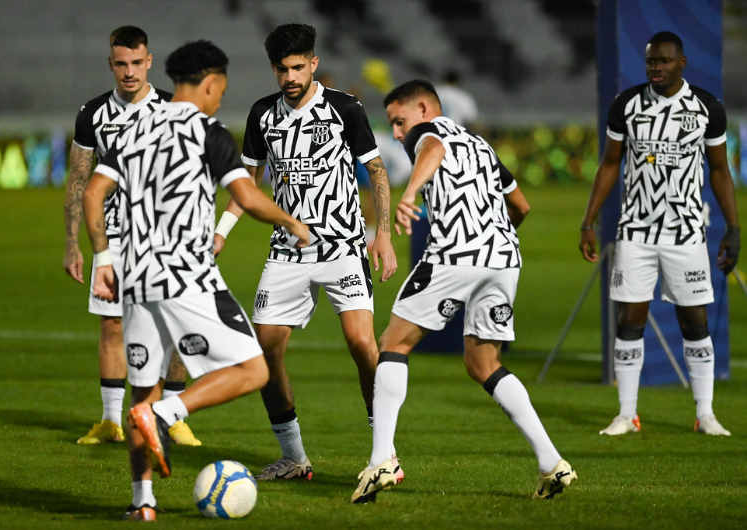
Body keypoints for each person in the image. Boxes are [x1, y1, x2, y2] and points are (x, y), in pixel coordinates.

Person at [82, 40, 310, 521]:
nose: (220, 99)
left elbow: (95, 191)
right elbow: (246, 197)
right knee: (254, 370)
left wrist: (104, 255)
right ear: (209, 83)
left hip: (135, 278)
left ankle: (142, 502)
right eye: (220, 90)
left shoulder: (129, 127)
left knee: (142, 390)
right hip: (187, 276)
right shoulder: (208, 131)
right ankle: (168, 416)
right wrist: (291, 223)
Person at [351, 80, 576, 504]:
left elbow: (431, 148)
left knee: (393, 343)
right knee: (482, 362)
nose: (398, 133)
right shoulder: (481, 146)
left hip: (455, 256)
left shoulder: (427, 133)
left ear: (423, 108)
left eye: (399, 122)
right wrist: (494, 245)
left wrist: (411, 194)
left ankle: (382, 459)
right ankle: (551, 463)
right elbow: (522, 206)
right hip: (504, 259)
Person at [213, 23, 399, 482]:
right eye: (282, 69)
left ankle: (385, 455)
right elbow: (247, 185)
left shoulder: (345, 109)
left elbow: (376, 170)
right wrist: (220, 234)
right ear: (273, 68)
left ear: (313, 63)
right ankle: (294, 457)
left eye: (299, 67)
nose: (291, 76)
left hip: (343, 248)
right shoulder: (262, 115)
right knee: (265, 353)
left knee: (362, 344)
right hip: (286, 252)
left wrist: (385, 236)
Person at [579, 31, 740, 436]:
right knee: (629, 321)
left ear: (682, 63)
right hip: (635, 231)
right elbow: (609, 164)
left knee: (695, 323)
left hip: (686, 234)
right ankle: (626, 414)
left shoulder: (706, 108)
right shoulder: (627, 104)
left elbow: (720, 170)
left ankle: (705, 414)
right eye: (651, 61)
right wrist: (588, 221)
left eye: (664, 61)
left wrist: (733, 228)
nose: (656, 67)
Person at [62, 25, 200, 446]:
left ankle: (173, 417)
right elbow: (78, 182)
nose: (128, 72)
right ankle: (110, 421)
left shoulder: (173, 108)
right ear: (111, 63)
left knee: (177, 327)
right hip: (114, 239)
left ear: (149, 62)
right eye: (120, 63)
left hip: (166, 240)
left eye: (136, 63)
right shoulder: (92, 114)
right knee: (112, 327)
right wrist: (73, 243)